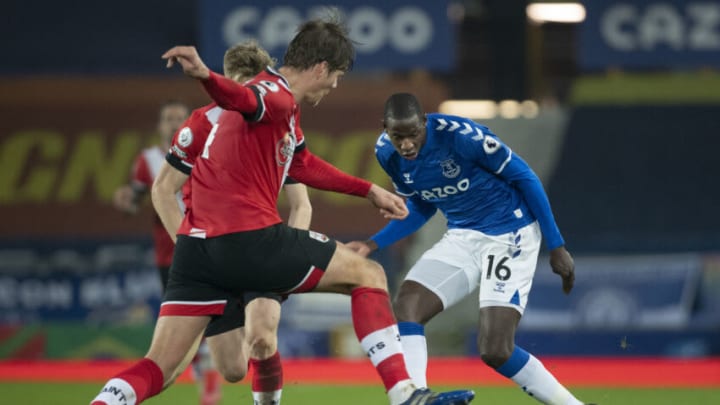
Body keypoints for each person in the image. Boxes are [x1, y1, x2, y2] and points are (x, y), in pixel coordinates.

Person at [90, 16, 475, 405]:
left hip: (195, 251)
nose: (334, 86)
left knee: (162, 367)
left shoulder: (280, 111)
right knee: (368, 274)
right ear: (321, 67)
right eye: (336, 76)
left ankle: (105, 401)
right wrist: (205, 75)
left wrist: (368, 190)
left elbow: (304, 164)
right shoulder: (275, 94)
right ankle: (404, 393)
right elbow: (245, 101)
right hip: (250, 240)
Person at [346, 93, 594, 405]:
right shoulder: (387, 154)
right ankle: (416, 398)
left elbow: (524, 176)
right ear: (385, 129)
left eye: (413, 135)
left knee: (495, 350)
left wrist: (556, 244)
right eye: (399, 136)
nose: (407, 144)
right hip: (463, 234)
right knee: (408, 303)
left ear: (425, 123)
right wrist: (372, 243)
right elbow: (422, 206)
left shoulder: (461, 137)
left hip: (509, 233)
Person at [152, 40, 312, 405]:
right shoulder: (202, 122)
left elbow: (301, 204)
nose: (243, 96)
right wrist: (194, 252)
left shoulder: (277, 123)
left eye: (250, 86)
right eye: (237, 85)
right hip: (212, 253)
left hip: (260, 246)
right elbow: (162, 191)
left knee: (261, 337)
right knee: (234, 369)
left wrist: (289, 255)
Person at [111, 101, 225, 405]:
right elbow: (135, 200)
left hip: (209, 245)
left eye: (179, 118)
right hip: (169, 253)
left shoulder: (207, 150)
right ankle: (205, 378)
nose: (174, 124)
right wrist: (126, 203)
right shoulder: (147, 161)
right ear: (159, 126)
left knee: (213, 318)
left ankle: (210, 380)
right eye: (168, 119)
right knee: (188, 324)